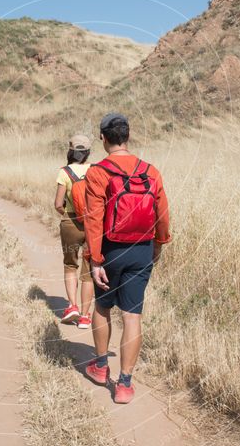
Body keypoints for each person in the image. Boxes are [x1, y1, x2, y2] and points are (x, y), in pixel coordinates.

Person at [83, 113, 171, 403]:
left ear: (102, 138)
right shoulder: (150, 171)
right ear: (128, 136)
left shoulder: (98, 172)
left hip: (110, 251)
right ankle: (124, 384)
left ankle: (100, 366)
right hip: (142, 249)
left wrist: (95, 259)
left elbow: (93, 220)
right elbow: (162, 214)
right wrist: (158, 244)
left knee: (103, 307)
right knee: (133, 316)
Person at [54, 134, 94, 328]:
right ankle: (86, 316)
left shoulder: (64, 172)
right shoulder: (96, 170)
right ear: (88, 152)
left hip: (70, 222)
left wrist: (70, 212)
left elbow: (57, 205)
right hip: (93, 224)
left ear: (70, 150)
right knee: (89, 270)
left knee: (70, 265)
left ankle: (73, 306)